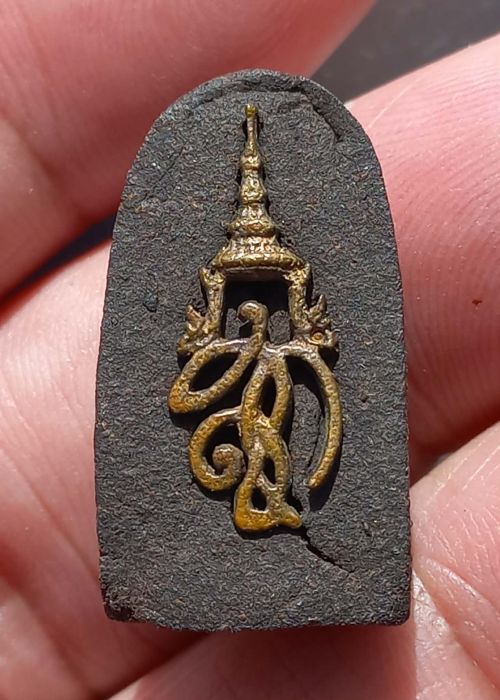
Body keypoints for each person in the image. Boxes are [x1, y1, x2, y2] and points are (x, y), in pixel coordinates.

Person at [0, 1, 498, 698]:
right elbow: (189, 396)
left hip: (272, 436)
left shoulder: (280, 356)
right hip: (237, 444)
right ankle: (270, 503)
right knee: (259, 447)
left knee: (277, 445)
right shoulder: (238, 354)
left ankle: (279, 506)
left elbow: (317, 404)